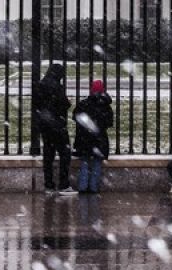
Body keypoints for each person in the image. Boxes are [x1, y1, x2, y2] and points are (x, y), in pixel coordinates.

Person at [31, 63, 76, 195]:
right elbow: (64, 104)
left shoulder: (40, 85)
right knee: (65, 154)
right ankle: (63, 184)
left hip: (45, 125)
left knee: (48, 154)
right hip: (58, 125)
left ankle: (49, 184)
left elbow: (36, 105)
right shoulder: (57, 86)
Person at [73, 79, 114, 194]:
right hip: (99, 139)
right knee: (97, 163)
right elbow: (109, 123)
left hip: (84, 139)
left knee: (85, 162)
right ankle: (93, 188)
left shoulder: (84, 104)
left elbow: (76, 117)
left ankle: (82, 186)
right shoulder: (106, 106)